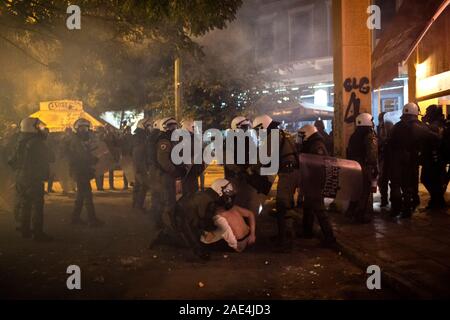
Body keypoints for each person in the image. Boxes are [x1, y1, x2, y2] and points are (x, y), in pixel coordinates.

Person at [251, 114, 299, 252]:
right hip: (291, 172)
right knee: (283, 205)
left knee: (283, 206)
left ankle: (286, 242)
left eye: (258, 130)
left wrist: (251, 168)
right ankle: (282, 237)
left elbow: (264, 158)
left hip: (288, 173)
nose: (258, 133)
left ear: (262, 126)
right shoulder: (281, 133)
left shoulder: (273, 136)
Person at [387, 103, 440, 218]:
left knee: (395, 184)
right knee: (407, 185)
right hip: (409, 159)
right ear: (415, 113)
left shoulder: (396, 126)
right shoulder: (418, 126)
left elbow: (389, 142)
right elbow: (434, 136)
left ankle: (395, 209)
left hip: (394, 159)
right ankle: (406, 210)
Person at [8, 117, 53, 241]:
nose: (40, 128)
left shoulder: (19, 141)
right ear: (31, 127)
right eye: (38, 126)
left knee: (25, 204)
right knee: (37, 205)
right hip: (33, 177)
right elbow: (51, 157)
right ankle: (38, 233)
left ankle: (24, 230)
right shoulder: (37, 142)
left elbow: (12, 161)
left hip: (21, 177)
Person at [172, 178, 237, 260]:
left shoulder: (206, 196)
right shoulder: (209, 200)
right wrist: (209, 230)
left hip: (183, 218)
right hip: (184, 222)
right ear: (219, 191)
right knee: (219, 228)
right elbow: (203, 221)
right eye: (226, 193)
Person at [297, 124, 335, 243]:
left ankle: (330, 238)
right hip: (311, 181)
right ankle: (307, 232)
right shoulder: (312, 144)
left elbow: (320, 166)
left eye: (302, 136)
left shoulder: (317, 146)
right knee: (308, 207)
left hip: (316, 182)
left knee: (319, 209)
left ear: (307, 134)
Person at [148, 117, 185, 234]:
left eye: (175, 126)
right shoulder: (164, 140)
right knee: (169, 200)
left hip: (161, 173)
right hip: (164, 175)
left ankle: (158, 223)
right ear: (164, 128)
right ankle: (169, 227)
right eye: (171, 126)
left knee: (159, 199)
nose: (173, 128)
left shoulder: (166, 138)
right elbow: (163, 160)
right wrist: (174, 171)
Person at [68, 118, 104, 227]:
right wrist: (93, 159)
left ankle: (75, 218)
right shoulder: (76, 141)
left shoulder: (80, 140)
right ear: (77, 129)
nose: (85, 130)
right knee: (87, 195)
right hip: (80, 171)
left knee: (81, 196)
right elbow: (81, 156)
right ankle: (92, 219)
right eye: (82, 128)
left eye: (86, 127)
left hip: (82, 170)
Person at [345, 113, 378, 223]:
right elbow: (372, 154)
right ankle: (360, 216)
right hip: (364, 166)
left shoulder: (354, 135)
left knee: (355, 191)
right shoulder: (369, 135)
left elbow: (348, 151)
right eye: (371, 120)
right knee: (364, 191)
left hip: (353, 166)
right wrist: (374, 167)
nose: (373, 123)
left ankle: (350, 212)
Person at [420, 105, 446, 209]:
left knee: (428, 179)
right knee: (434, 180)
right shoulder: (436, 123)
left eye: (427, 111)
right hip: (435, 157)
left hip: (434, 158)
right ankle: (437, 201)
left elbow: (429, 136)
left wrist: (423, 123)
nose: (425, 113)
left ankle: (437, 201)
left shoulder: (435, 125)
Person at [179, 119, 204, 196]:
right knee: (188, 191)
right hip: (187, 167)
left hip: (194, 167)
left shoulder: (193, 136)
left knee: (193, 189)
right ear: (187, 126)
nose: (195, 128)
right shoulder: (181, 136)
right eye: (193, 127)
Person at [131, 118, 151, 211]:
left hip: (139, 165)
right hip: (140, 165)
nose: (149, 127)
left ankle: (135, 204)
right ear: (142, 126)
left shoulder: (141, 136)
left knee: (138, 185)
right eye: (147, 126)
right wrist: (142, 167)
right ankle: (138, 205)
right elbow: (138, 153)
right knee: (144, 185)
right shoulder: (140, 138)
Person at [377, 112, 393, 207]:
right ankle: (384, 199)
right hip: (383, 157)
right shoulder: (380, 127)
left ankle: (388, 199)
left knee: (387, 178)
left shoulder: (389, 125)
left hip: (388, 157)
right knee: (383, 180)